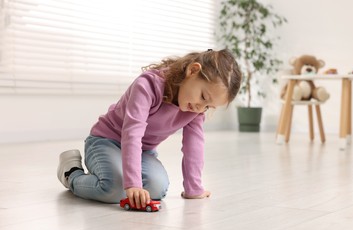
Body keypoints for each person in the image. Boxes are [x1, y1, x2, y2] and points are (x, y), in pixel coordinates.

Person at [57, 49, 241, 209]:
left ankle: (119, 175)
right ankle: (72, 173)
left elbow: (194, 146)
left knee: (156, 188)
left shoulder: (195, 110)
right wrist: (133, 184)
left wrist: (194, 188)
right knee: (115, 188)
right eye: (202, 96)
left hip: (142, 152)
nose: (200, 108)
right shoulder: (148, 85)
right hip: (106, 141)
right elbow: (132, 133)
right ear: (192, 71)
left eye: (208, 106)